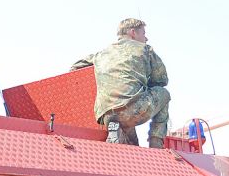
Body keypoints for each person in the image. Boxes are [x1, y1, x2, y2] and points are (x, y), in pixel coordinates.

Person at [71, 18, 170, 148]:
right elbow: (161, 80)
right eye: (143, 33)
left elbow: (75, 67)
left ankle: (115, 130)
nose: (146, 38)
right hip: (132, 111)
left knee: (133, 146)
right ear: (133, 32)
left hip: (107, 115)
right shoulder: (146, 50)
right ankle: (156, 142)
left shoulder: (101, 54)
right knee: (164, 93)